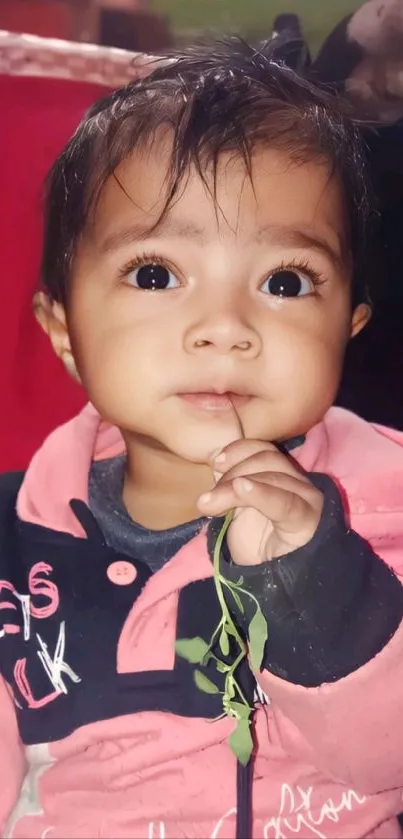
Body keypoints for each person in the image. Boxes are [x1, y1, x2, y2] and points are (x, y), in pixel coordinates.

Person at [1, 38, 403, 839]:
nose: (224, 329)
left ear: (348, 328)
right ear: (66, 333)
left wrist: (313, 573)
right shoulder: (17, 533)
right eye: (156, 274)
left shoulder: (379, 496)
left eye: (284, 282)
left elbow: (384, 757)